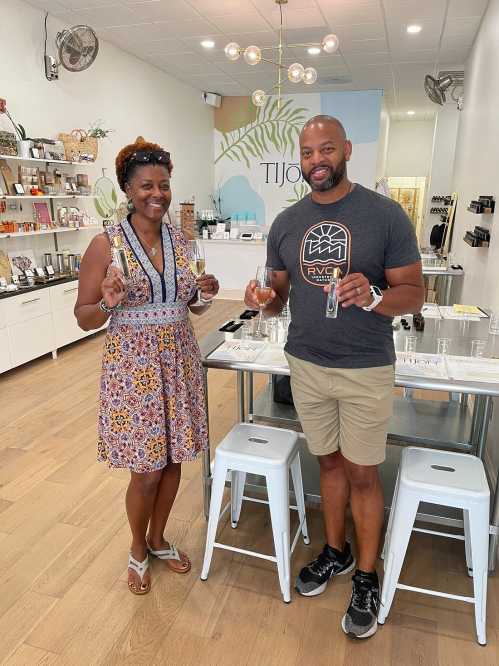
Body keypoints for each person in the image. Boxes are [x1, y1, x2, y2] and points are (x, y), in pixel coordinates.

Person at [245, 115, 424, 639]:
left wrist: (373, 298)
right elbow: (276, 295)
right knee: (328, 463)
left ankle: (367, 575)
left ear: (346, 149)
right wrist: (263, 302)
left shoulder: (384, 215)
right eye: (306, 153)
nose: (316, 161)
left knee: (365, 472)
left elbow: (414, 292)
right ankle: (336, 552)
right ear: (298, 160)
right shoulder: (287, 223)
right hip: (305, 362)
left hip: (365, 366)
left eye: (326, 149)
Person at [75, 137, 219, 595]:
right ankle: (138, 546)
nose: (157, 194)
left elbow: (191, 305)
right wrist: (107, 302)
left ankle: (159, 538)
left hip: (178, 359)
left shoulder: (182, 239)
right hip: (133, 369)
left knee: (175, 459)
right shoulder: (106, 244)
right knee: (147, 469)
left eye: (164, 184)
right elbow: (83, 317)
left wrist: (204, 292)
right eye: (145, 186)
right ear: (127, 189)